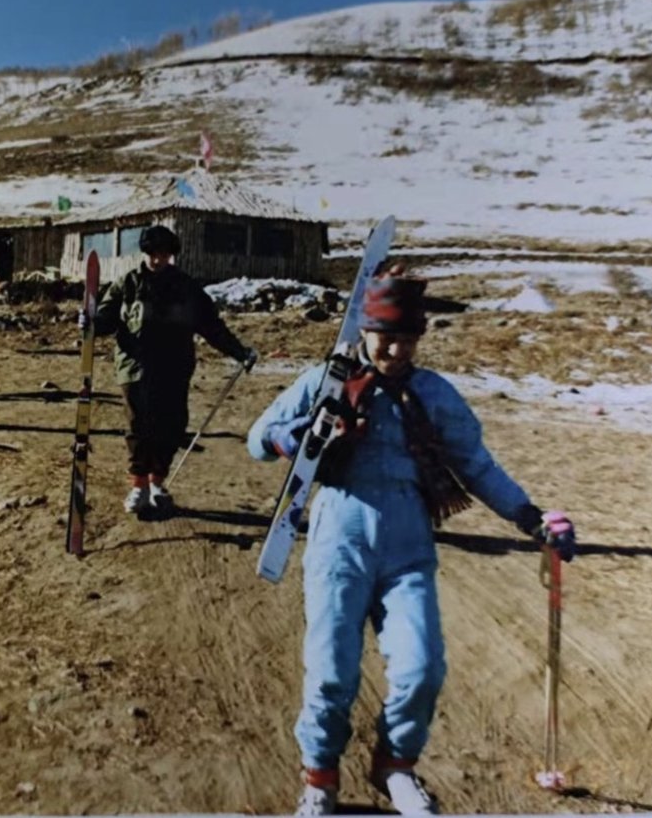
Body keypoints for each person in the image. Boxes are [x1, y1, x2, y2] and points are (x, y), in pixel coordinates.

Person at [245, 271, 578, 816]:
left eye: (408, 339)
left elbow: (476, 466)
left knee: (422, 668)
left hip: (407, 548)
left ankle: (395, 767)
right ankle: (320, 778)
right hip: (339, 540)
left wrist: (532, 517)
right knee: (332, 671)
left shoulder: (432, 394)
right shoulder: (325, 381)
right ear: (364, 329)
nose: (396, 350)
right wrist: (292, 434)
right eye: (385, 337)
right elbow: (258, 438)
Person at [84, 224, 258, 515]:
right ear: (145, 253)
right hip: (135, 367)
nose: (157, 260)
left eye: (163, 255)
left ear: (171, 255)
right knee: (139, 425)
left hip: (174, 367)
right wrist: (90, 324)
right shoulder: (127, 284)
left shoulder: (187, 288)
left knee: (171, 425)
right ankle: (138, 486)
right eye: (153, 254)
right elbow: (106, 320)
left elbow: (212, 327)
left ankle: (157, 483)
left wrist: (239, 352)